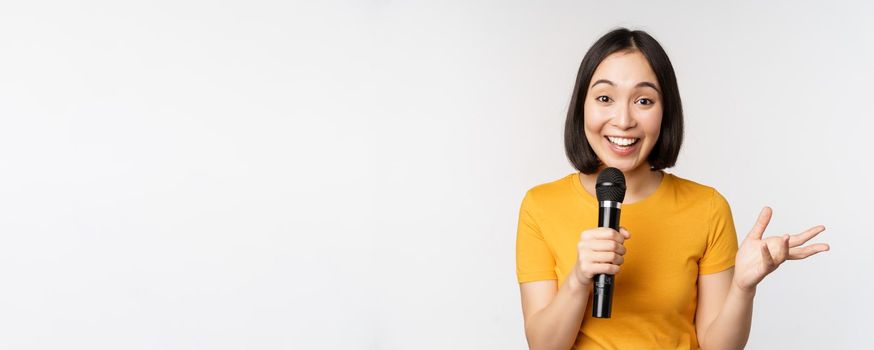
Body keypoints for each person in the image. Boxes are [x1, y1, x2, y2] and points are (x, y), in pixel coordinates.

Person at [515, 28, 830, 350]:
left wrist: (743, 287)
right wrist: (579, 279)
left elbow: (719, 346)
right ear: (582, 105)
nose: (623, 120)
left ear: (665, 112)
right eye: (605, 98)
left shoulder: (706, 207)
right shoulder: (541, 205)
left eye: (643, 101)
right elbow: (543, 346)